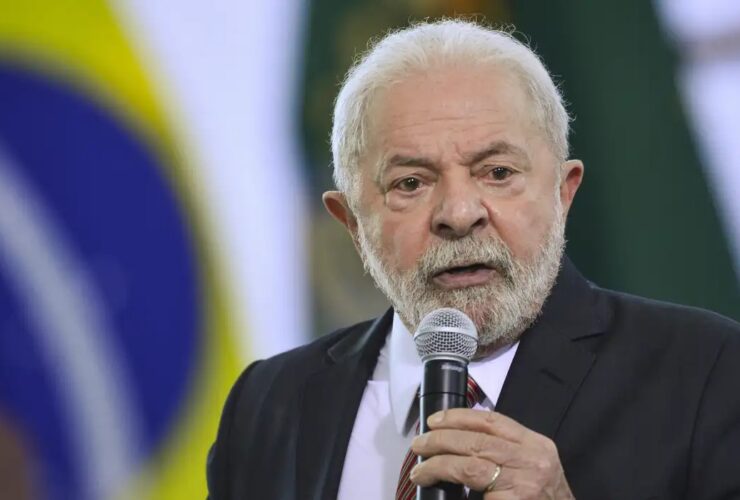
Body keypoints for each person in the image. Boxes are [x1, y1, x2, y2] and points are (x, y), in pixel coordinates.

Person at [206, 19, 740, 499]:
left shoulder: (707, 373)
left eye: (497, 173)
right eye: (410, 183)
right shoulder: (269, 405)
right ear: (351, 224)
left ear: (563, 193)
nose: (459, 214)